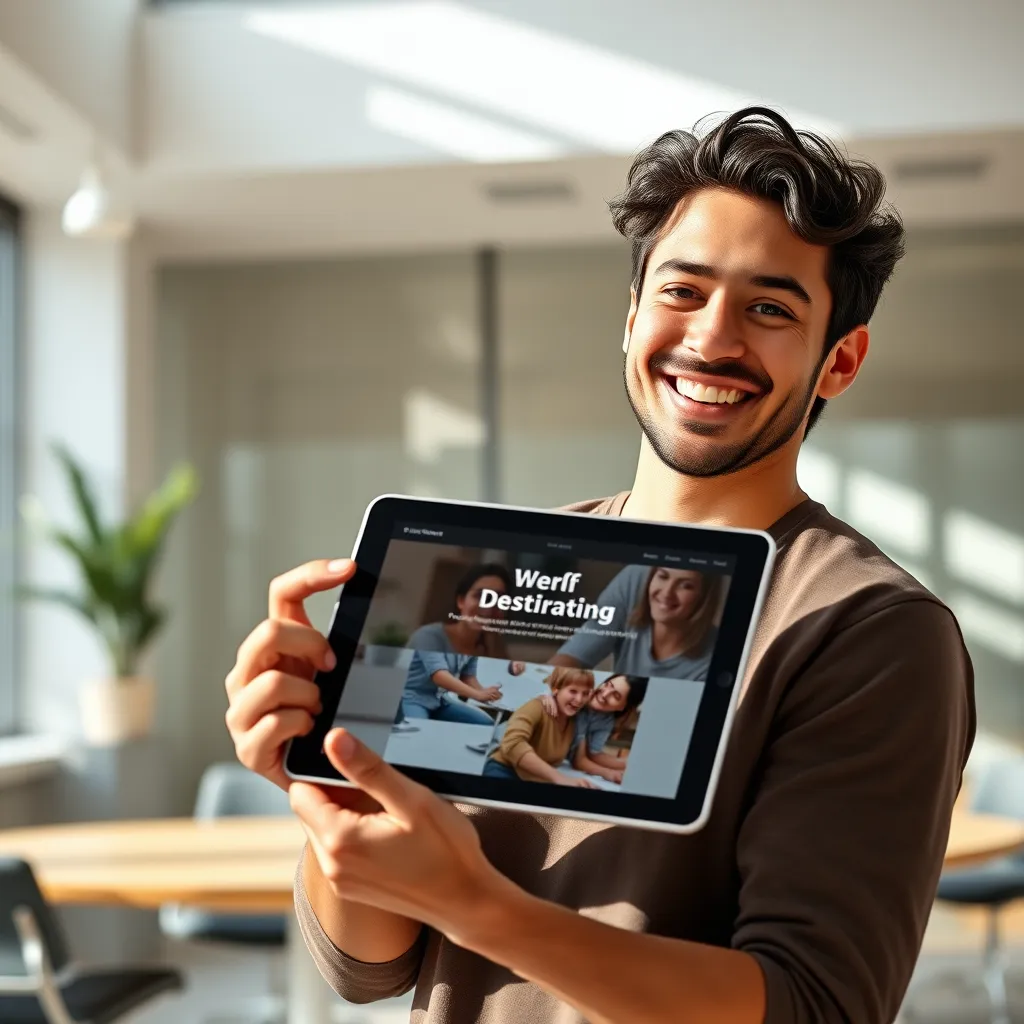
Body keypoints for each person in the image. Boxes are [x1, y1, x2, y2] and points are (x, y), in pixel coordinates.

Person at [224, 107, 975, 1023]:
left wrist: (476, 903)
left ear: (839, 362)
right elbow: (370, 965)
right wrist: (333, 782)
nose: (712, 338)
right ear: (630, 321)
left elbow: (814, 1005)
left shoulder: (870, 628)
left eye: (770, 308)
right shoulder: (515, 570)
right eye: (683, 291)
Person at [554, 565, 723, 681]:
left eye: (686, 586)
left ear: (703, 598)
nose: (667, 593)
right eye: (663, 576)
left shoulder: (711, 661)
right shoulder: (635, 578)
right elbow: (574, 655)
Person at [482, 667, 598, 787]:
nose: (579, 699)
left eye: (585, 693)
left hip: (537, 779)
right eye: (573, 691)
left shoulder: (575, 721)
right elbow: (513, 744)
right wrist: (559, 778)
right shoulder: (536, 707)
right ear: (555, 689)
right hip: (505, 771)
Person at [542, 674, 648, 785]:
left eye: (616, 696)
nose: (605, 694)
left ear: (623, 707)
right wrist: (609, 773)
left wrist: (630, 765)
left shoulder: (606, 721)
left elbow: (593, 754)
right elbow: (579, 760)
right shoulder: (579, 701)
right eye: (608, 685)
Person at [393, 649, 498, 728]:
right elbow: (439, 676)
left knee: (485, 724)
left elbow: (468, 677)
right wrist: (478, 695)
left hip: (440, 700)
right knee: (418, 733)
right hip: (412, 697)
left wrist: (486, 693)